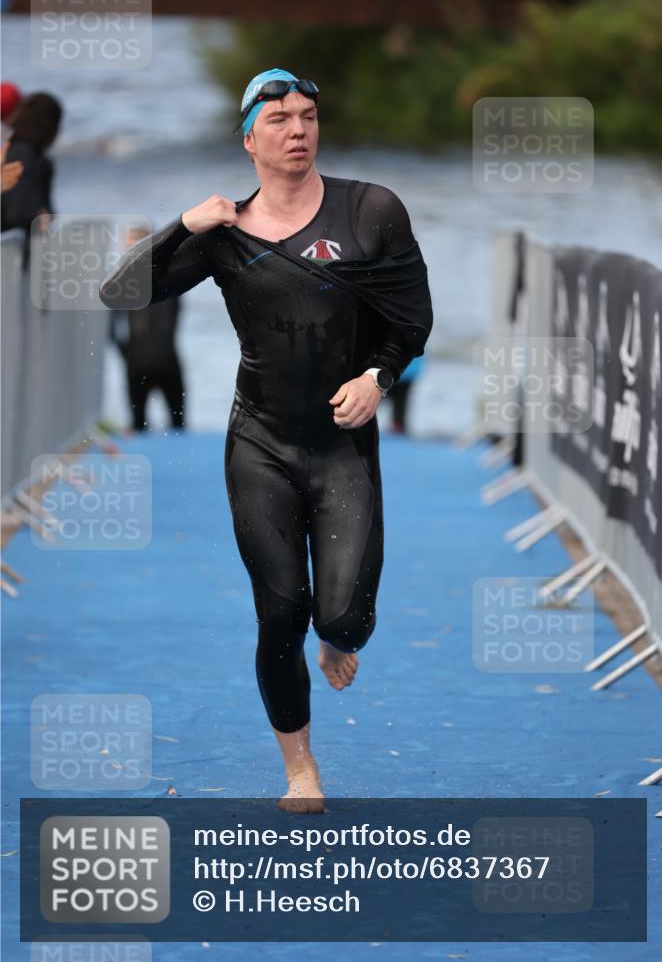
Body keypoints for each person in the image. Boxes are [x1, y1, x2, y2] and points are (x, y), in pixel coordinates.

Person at [100, 68, 432, 813]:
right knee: (279, 611)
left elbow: (412, 319)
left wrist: (378, 377)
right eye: (278, 119)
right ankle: (301, 770)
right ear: (249, 138)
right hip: (261, 441)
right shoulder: (224, 234)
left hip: (343, 443)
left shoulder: (370, 210)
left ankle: (339, 635)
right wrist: (182, 227)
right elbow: (118, 293)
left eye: (308, 116)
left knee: (343, 617)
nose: (297, 131)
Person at [109, 224, 187, 432]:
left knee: (138, 427)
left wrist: (125, 353)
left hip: (137, 360)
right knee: (178, 427)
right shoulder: (172, 275)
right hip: (167, 358)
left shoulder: (121, 283)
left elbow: (111, 329)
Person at [0, 91, 62, 235]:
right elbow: (18, 213)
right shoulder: (28, 157)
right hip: (20, 250)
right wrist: (41, 216)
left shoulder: (13, 149)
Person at [385, 352, 426, 434]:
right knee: (400, 404)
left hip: (392, 369)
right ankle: (398, 427)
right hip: (408, 370)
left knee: (374, 400)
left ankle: (398, 427)